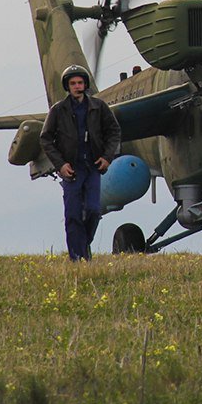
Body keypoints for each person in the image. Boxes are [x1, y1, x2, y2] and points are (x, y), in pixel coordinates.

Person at [40, 64, 122, 261]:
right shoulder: (58, 110)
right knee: (73, 214)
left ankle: (83, 246)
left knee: (93, 210)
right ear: (67, 87)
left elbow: (114, 131)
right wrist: (60, 164)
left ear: (85, 84)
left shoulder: (99, 107)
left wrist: (107, 157)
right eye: (73, 83)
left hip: (93, 166)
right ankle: (77, 257)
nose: (77, 86)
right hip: (72, 168)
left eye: (80, 83)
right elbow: (46, 138)